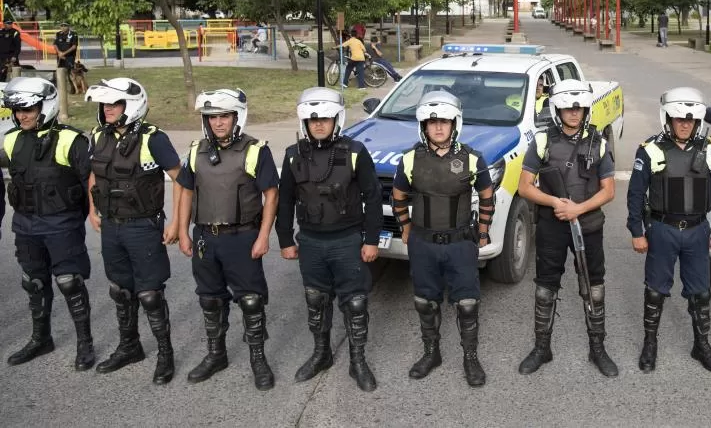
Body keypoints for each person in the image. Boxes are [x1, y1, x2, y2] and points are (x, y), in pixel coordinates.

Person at [275, 87, 383, 391]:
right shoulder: (293, 155)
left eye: (324, 118)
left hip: (347, 240)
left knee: (356, 302)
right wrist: (285, 239)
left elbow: (372, 199)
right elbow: (284, 201)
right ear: (304, 122)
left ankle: (357, 361)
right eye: (312, 120)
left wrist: (371, 240)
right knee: (316, 299)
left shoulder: (355, 152)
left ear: (337, 118)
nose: (318, 124)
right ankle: (321, 354)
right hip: (310, 241)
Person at [175, 88, 280, 390]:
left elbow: (271, 195)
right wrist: (183, 231)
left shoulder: (256, 150)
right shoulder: (196, 150)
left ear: (236, 117)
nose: (218, 123)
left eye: (224, 116)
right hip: (206, 238)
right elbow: (186, 191)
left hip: (242, 237)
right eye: (212, 117)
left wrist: (263, 237)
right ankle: (215, 354)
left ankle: (258, 359)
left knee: (250, 301)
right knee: (210, 299)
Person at [391, 91, 494, 387]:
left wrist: (483, 232)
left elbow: (487, 198)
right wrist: (406, 227)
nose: (438, 127)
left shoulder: (472, 158)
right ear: (423, 126)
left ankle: (470, 358)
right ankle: (431, 353)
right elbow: (398, 196)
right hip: (423, 244)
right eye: (432, 122)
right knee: (425, 301)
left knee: (467, 303)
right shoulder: (410, 158)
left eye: (444, 122)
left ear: (454, 124)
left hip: (461, 242)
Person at [516, 79, 619, 378]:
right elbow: (525, 187)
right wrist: (553, 202)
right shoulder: (542, 141)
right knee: (545, 288)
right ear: (557, 109)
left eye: (579, 108)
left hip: (588, 224)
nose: (574, 113)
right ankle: (541, 348)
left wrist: (578, 208)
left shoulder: (598, 143)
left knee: (593, 288)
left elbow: (608, 190)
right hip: (552, 225)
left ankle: (597, 348)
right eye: (568, 108)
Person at [85, 78, 182, 384]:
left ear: (133, 105)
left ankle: (166, 354)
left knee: (150, 294)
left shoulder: (154, 138)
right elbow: (93, 173)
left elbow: (180, 179)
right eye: (105, 104)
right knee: (120, 290)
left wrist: (178, 222)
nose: (108, 109)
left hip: (143, 226)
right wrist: (92, 209)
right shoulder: (98, 134)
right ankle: (130, 346)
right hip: (112, 225)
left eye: (115, 103)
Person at [626, 87, 711, 373]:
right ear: (668, 119)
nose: (685, 124)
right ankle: (650, 343)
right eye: (678, 119)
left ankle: (702, 345)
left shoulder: (708, 149)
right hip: (662, 229)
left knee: (700, 293)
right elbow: (635, 194)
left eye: (690, 120)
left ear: (697, 121)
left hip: (697, 231)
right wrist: (636, 231)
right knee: (655, 291)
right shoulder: (650, 149)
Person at [3, 77, 95, 370]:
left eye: (28, 109)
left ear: (46, 106)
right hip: (25, 225)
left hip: (62, 225)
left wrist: (95, 214)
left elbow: (91, 182)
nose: (22, 115)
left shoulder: (71, 139)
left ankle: (85, 344)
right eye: (17, 110)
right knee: (34, 283)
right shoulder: (11, 138)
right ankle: (41, 339)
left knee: (70, 283)